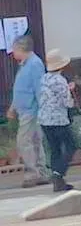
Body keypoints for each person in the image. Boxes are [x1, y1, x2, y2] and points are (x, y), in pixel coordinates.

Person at [6, 35, 49, 187]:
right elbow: (20, 89)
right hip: (26, 109)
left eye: (14, 49)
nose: (13, 53)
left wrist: (42, 109)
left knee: (24, 141)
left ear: (21, 48)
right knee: (35, 141)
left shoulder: (34, 64)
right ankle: (42, 173)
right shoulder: (25, 65)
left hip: (31, 110)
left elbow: (39, 88)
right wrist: (13, 107)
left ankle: (33, 173)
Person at [38, 49, 76, 193]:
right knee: (71, 146)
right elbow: (67, 103)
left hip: (44, 119)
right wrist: (69, 89)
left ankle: (58, 182)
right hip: (58, 120)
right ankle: (58, 173)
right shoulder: (60, 81)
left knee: (55, 149)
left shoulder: (44, 78)